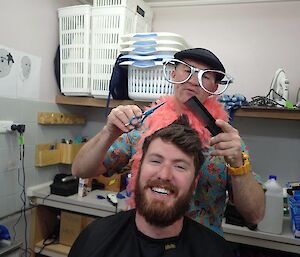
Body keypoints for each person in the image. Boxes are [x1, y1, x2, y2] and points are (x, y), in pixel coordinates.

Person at [72, 47, 265, 235]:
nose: (194, 81)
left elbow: (255, 215)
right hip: (142, 240)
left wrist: (239, 168)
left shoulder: (225, 140)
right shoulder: (142, 125)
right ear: (173, 74)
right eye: (187, 70)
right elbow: (80, 170)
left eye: (205, 76)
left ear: (214, 87)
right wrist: (109, 132)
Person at [68, 116, 234, 257]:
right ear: (138, 170)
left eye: (180, 166)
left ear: (194, 182)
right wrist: (108, 131)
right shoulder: (94, 239)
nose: (164, 175)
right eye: (155, 161)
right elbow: (79, 169)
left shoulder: (217, 251)